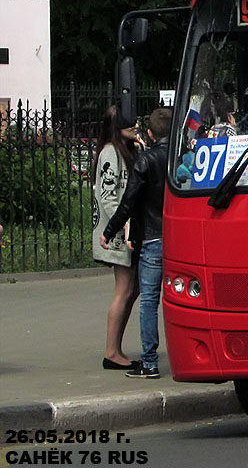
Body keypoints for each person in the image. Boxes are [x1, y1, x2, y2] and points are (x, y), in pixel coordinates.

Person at [101, 107, 172, 379]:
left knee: (148, 302)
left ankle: (150, 362)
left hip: (152, 238)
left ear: (151, 133)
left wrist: (109, 231)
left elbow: (128, 202)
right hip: (178, 238)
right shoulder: (181, 160)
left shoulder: (146, 160)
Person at [91, 106, 142, 371]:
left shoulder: (130, 150)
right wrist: (122, 225)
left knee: (133, 290)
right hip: (119, 233)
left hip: (128, 230)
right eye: (130, 125)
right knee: (124, 290)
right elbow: (107, 196)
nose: (136, 127)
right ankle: (112, 352)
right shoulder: (110, 153)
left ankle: (116, 348)